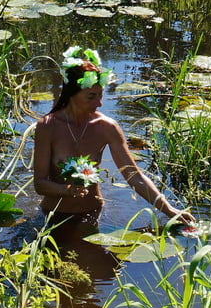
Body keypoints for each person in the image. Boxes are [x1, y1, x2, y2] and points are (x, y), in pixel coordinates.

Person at [33, 46, 195, 236]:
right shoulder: (48, 126)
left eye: (100, 95)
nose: (99, 103)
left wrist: (169, 210)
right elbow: (40, 184)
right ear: (71, 94)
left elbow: (134, 176)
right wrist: (67, 190)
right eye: (91, 96)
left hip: (92, 213)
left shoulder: (107, 127)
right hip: (53, 214)